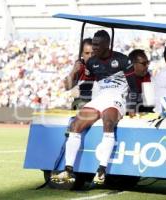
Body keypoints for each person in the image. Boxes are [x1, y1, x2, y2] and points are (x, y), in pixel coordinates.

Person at [52, 30, 139, 185]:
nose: (95, 47)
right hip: (100, 98)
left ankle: (101, 170)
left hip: (117, 98)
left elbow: (134, 87)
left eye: (98, 44)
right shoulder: (92, 62)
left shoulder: (123, 60)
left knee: (108, 123)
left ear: (107, 44)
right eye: (94, 44)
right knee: (76, 124)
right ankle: (68, 170)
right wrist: (76, 73)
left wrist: (132, 107)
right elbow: (85, 84)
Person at [63, 38, 95, 109]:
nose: (90, 56)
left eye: (92, 53)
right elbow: (67, 87)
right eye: (87, 53)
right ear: (82, 54)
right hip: (82, 102)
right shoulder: (79, 66)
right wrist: (74, 71)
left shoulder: (102, 66)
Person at [128, 49, 154, 116]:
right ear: (132, 64)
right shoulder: (124, 82)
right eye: (144, 63)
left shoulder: (150, 78)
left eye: (148, 62)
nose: (147, 66)